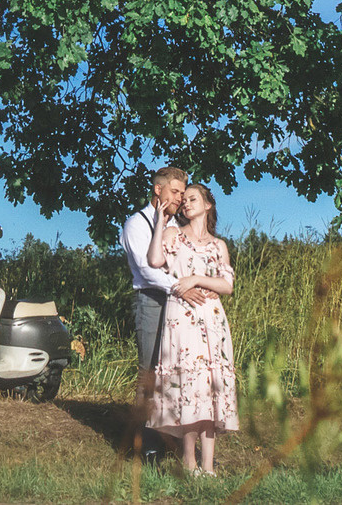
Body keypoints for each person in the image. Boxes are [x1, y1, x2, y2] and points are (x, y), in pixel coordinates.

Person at [144, 181, 239, 476]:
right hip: (182, 319)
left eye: (192, 199)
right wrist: (161, 221)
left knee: (211, 388)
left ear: (208, 205)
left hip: (212, 321)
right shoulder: (174, 234)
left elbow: (227, 286)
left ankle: (208, 468)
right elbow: (155, 260)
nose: (185, 203)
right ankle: (189, 462)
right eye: (183, 200)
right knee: (188, 387)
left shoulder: (218, 245)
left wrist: (196, 278)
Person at [119, 165, 187, 456]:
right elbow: (147, 272)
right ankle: (141, 444)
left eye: (183, 194)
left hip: (178, 302)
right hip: (152, 301)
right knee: (149, 373)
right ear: (158, 190)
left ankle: (170, 439)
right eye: (175, 192)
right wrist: (182, 287)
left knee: (176, 372)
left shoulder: (179, 224)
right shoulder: (136, 223)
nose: (180, 198)